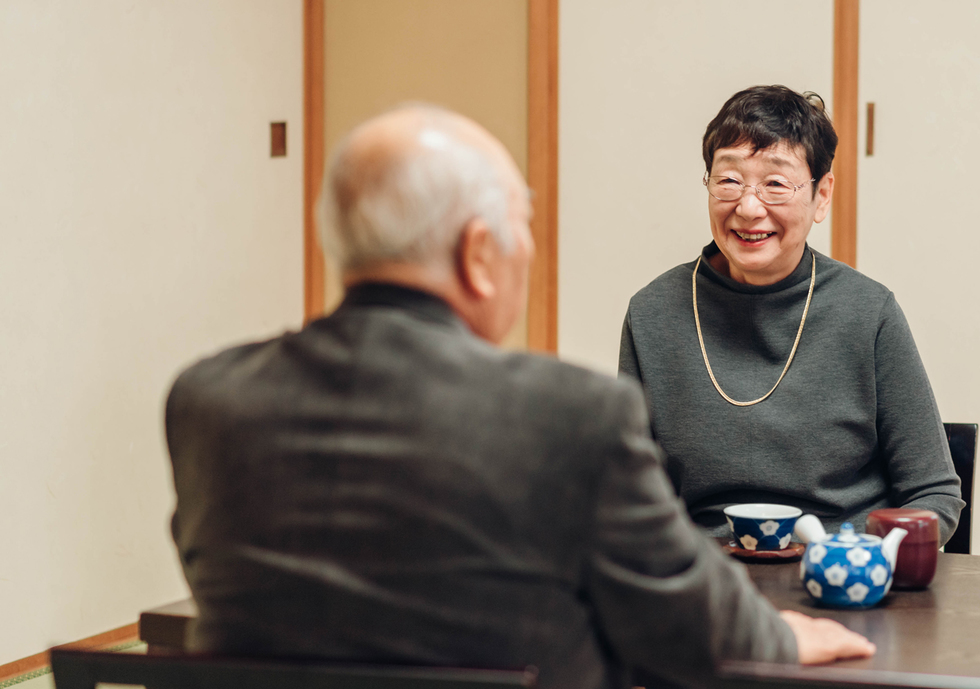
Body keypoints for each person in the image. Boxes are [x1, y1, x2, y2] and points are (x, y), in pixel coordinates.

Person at [165, 103, 874, 689]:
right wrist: (778, 633)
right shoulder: (570, 415)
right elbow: (683, 621)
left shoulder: (207, 402)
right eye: (521, 226)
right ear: (478, 253)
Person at [619, 85, 964, 544]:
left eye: (776, 184)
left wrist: (860, 562)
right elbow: (627, 497)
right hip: (707, 586)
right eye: (729, 180)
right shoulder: (653, 312)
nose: (747, 207)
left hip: (841, 578)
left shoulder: (868, 311)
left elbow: (933, 493)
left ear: (822, 196)